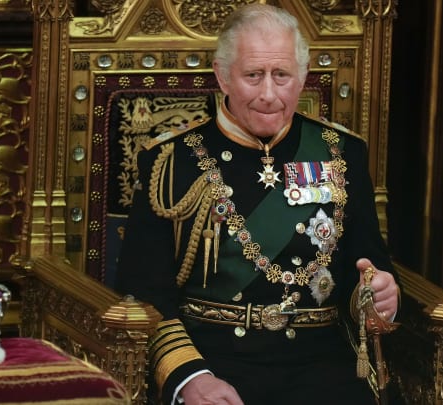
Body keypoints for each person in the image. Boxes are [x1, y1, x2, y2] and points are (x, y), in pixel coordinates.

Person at [115, 3, 400, 405]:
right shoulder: (172, 161)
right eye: (253, 75)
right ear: (222, 76)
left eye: (281, 75)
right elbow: (142, 289)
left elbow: (367, 265)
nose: (269, 94)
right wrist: (189, 377)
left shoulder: (342, 153)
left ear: (302, 78)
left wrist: (377, 295)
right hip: (213, 362)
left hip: (322, 366)